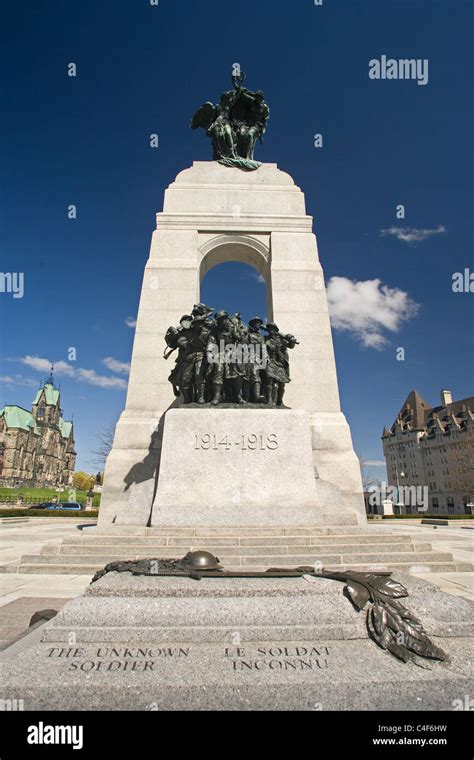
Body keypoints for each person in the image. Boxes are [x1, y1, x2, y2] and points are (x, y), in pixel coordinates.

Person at [263, 322, 298, 406]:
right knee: (269, 382)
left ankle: (280, 401)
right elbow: (262, 349)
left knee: (281, 385)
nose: (271, 330)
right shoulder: (265, 339)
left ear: (275, 330)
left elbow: (291, 345)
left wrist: (291, 339)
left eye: (272, 329)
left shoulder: (281, 340)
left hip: (280, 364)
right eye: (269, 329)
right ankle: (270, 400)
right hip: (270, 362)